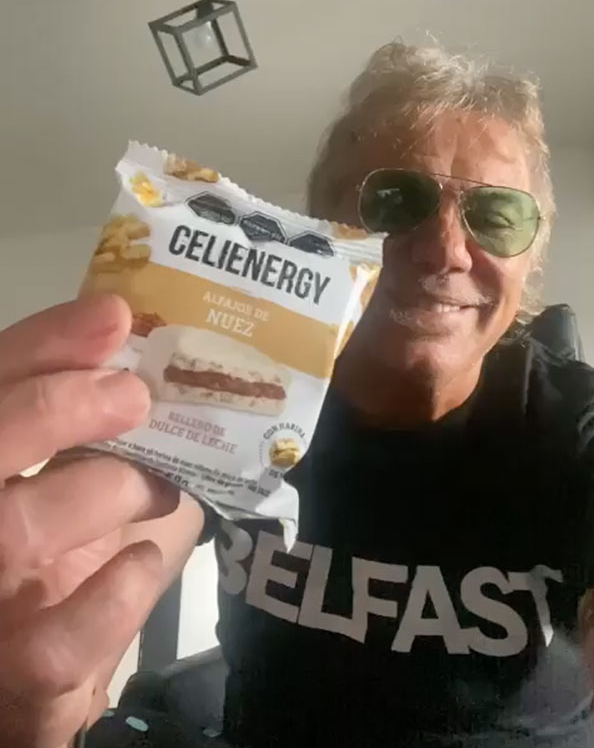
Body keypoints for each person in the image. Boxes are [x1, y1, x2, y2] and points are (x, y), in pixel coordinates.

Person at [1, 42, 594, 748]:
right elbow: (127, 541)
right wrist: (40, 697)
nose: (446, 249)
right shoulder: (242, 393)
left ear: (530, 260)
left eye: (495, 216)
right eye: (396, 201)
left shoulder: (571, 422)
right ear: (325, 234)